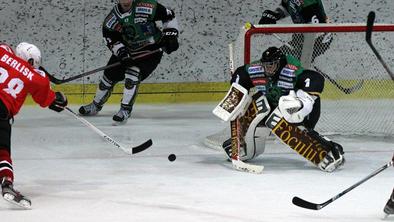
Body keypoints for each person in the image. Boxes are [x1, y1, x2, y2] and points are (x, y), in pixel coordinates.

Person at [215, 46, 345, 172]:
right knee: (259, 106)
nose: (268, 68)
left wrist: (304, 101)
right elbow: (240, 74)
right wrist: (236, 95)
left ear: (279, 62)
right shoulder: (256, 70)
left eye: (272, 64)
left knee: (284, 111)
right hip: (271, 106)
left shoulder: (291, 70)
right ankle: (242, 145)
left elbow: (315, 78)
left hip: (294, 113)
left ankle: (326, 150)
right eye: (266, 64)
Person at [79, 0, 179, 125]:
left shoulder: (147, 6)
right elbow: (110, 39)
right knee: (108, 76)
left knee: (133, 73)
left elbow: (168, 15)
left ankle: (125, 110)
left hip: (151, 50)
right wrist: (122, 54)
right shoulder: (112, 19)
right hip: (128, 50)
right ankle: (95, 105)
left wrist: (171, 36)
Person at [0, 42, 68, 208]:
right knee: (2, 151)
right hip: (1, 110)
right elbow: (51, 101)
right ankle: (7, 183)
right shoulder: (38, 78)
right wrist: (59, 98)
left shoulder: (2, 51)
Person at [258, 0, 332, 63]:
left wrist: (304, 55)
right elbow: (287, 6)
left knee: (285, 64)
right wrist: (275, 15)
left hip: (319, 40)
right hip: (302, 37)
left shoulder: (308, 2)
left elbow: (315, 29)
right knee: (276, 61)